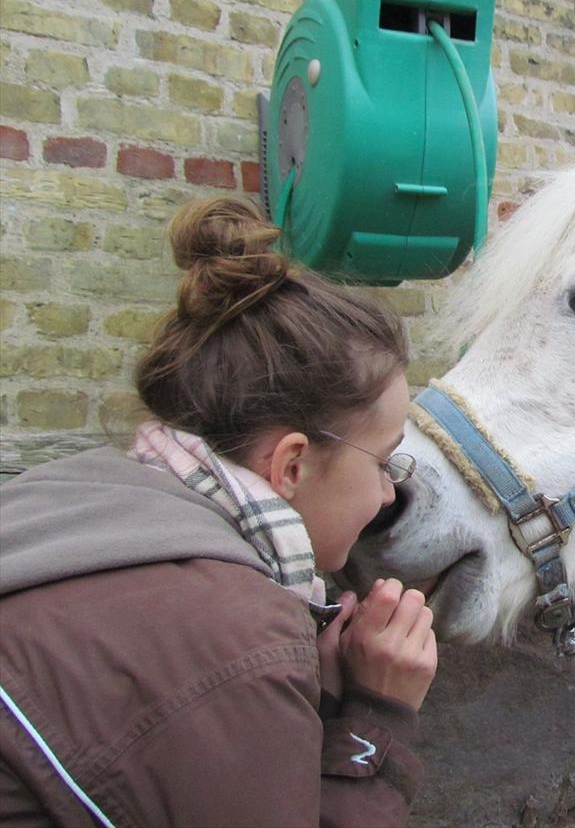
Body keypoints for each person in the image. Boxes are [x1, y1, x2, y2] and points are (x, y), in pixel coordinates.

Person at [0, 197, 436, 827]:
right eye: (383, 463)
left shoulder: (66, 499)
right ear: (291, 467)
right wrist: (377, 715)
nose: (389, 495)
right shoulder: (240, 642)